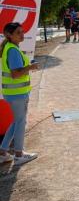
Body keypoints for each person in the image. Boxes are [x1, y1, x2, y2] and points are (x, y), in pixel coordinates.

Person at [0, 22, 38, 165]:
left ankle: (3, 152)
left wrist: (28, 67)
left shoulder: (9, 48)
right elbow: (16, 74)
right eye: (18, 33)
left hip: (12, 93)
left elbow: (16, 70)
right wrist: (31, 67)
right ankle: (19, 154)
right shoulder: (13, 50)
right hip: (17, 94)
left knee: (16, 121)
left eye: (22, 32)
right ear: (9, 35)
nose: (22, 35)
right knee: (21, 122)